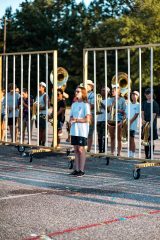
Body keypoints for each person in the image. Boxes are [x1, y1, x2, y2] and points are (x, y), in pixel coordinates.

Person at [69, 86, 90, 177]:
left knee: (81, 149)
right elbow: (71, 116)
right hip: (74, 130)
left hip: (82, 131)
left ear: (83, 93)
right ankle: (76, 169)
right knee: (76, 150)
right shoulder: (74, 104)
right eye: (76, 91)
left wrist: (76, 120)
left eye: (78, 91)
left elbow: (87, 119)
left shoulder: (86, 105)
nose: (76, 93)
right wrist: (70, 120)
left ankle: (81, 170)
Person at [108, 85, 126, 156]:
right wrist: (113, 102)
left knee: (119, 137)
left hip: (119, 120)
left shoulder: (122, 100)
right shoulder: (110, 99)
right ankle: (112, 152)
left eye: (113, 91)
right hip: (111, 120)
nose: (112, 92)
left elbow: (125, 111)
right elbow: (109, 109)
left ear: (118, 92)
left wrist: (117, 110)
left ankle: (119, 153)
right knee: (112, 137)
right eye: (112, 91)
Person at [142, 88, 159, 159]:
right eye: (146, 94)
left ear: (152, 94)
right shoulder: (144, 103)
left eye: (148, 93)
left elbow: (154, 115)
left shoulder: (155, 103)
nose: (147, 95)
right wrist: (143, 120)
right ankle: (146, 156)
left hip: (152, 124)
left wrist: (150, 124)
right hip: (145, 123)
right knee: (145, 140)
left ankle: (151, 155)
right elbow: (142, 112)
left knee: (151, 140)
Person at [125, 91, 140, 157]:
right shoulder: (128, 104)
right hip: (127, 124)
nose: (133, 96)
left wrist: (130, 122)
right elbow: (125, 113)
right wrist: (125, 121)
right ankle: (129, 152)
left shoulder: (138, 105)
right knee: (128, 139)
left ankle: (133, 153)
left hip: (133, 125)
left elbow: (136, 114)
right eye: (132, 94)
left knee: (132, 139)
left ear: (138, 96)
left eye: (135, 95)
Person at [35, 82, 50, 146]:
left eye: (40, 86)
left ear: (44, 87)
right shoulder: (37, 95)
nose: (39, 87)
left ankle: (43, 143)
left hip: (43, 115)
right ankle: (39, 143)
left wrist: (40, 108)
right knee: (39, 129)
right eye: (39, 86)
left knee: (43, 130)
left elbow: (48, 106)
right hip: (38, 114)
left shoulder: (45, 95)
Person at [97, 87, 110, 153]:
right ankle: (100, 151)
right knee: (99, 136)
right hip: (98, 119)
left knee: (105, 135)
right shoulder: (98, 99)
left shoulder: (109, 100)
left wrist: (102, 104)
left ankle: (104, 151)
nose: (102, 92)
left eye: (104, 90)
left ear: (108, 92)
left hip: (105, 120)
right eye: (102, 90)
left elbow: (109, 110)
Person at [86, 80, 94, 152]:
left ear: (91, 87)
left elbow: (93, 105)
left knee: (89, 132)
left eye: (87, 85)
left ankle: (88, 149)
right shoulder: (82, 93)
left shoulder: (93, 95)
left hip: (91, 114)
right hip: (82, 115)